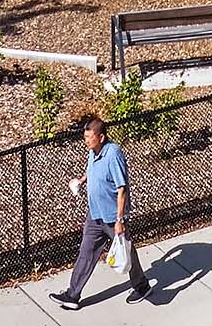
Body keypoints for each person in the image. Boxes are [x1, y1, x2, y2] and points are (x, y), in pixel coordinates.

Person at [52, 114, 147, 308]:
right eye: (85, 137)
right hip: (95, 214)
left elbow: (122, 188)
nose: (85, 141)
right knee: (86, 252)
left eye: (89, 137)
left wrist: (120, 219)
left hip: (113, 217)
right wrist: (81, 180)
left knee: (126, 252)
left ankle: (142, 286)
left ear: (101, 137)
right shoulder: (93, 152)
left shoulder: (113, 154)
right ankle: (72, 295)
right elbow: (92, 170)